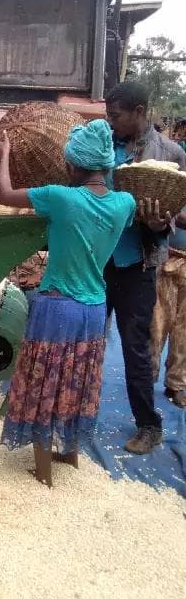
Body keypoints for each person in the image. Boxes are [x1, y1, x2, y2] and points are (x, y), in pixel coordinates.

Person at [0, 120, 136, 487]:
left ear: (72, 166)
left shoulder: (61, 197)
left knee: (45, 385)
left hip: (57, 307)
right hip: (93, 311)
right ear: (105, 165)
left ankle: (43, 474)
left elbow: (5, 195)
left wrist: (5, 155)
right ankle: (69, 455)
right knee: (78, 381)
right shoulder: (124, 204)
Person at [105, 82, 186, 454]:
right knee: (88, 341)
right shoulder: (103, 146)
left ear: (139, 112)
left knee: (137, 347)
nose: (111, 121)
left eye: (116, 115)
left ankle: (148, 425)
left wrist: (158, 223)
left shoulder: (169, 153)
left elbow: (180, 209)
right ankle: (78, 410)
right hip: (98, 261)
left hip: (137, 265)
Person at [150, 207, 186, 407]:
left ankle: (176, 385)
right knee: (157, 324)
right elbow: (170, 214)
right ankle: (147, 379)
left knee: (184, 333)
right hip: (166, 263)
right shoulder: (176, 182)